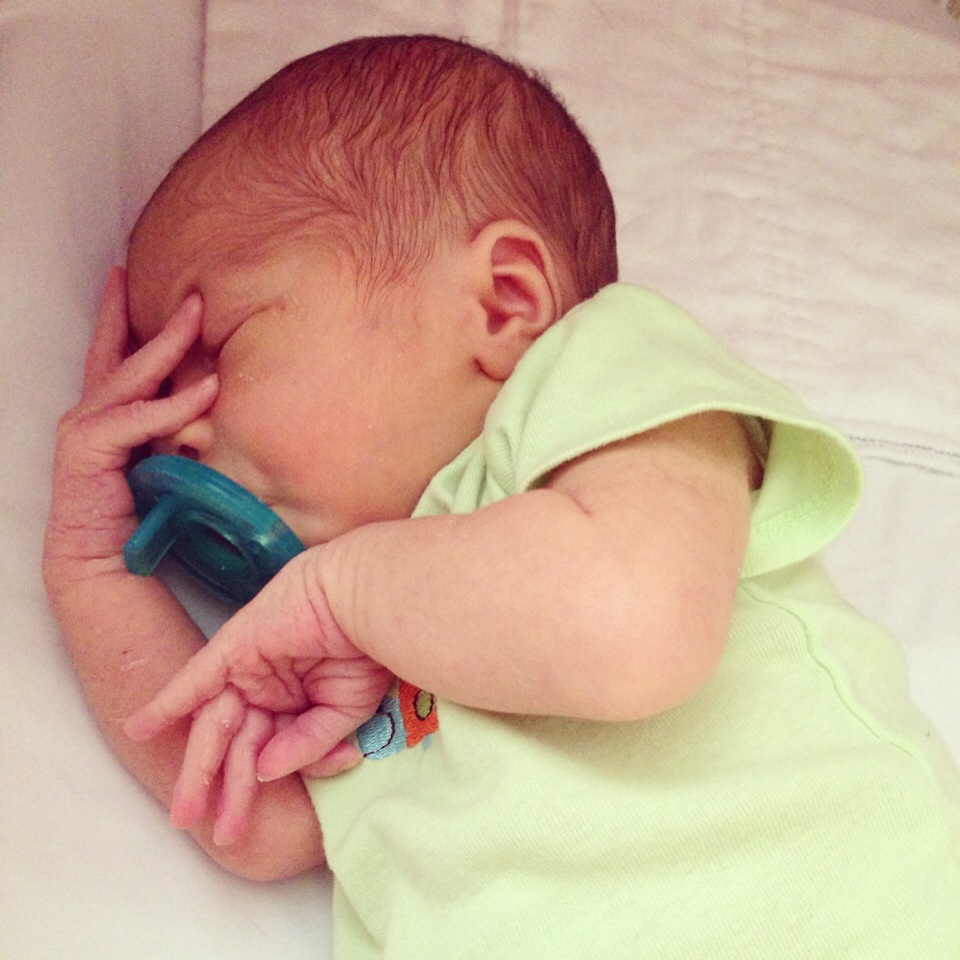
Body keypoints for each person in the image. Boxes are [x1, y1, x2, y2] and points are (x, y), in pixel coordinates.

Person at [43, 34, 960, 959]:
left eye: (224, 346)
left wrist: (344, 591)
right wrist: (92, 567)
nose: (177, 431)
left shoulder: (602, 386)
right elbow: (250, 815)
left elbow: (635, 628)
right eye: (161, 396)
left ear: (503, 303)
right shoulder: (339, 641)